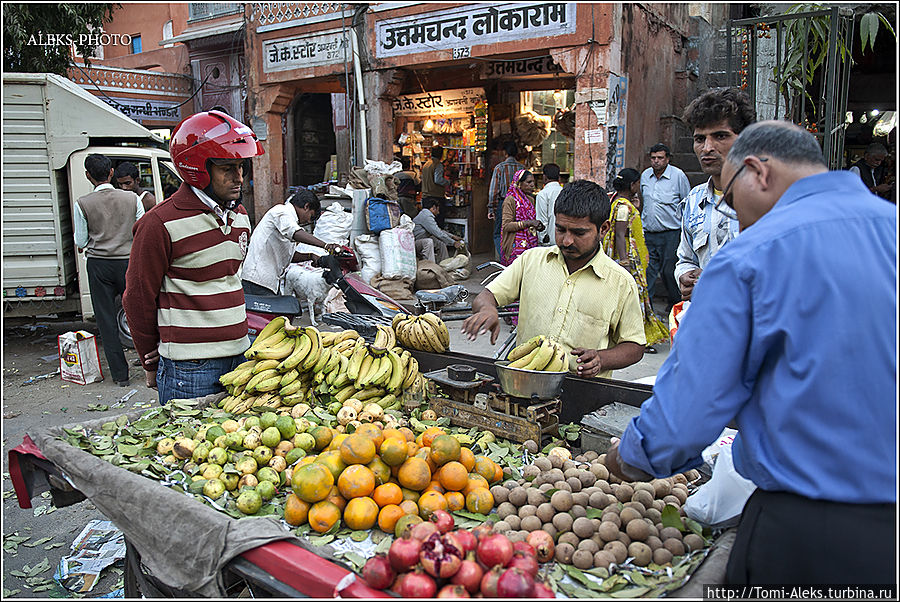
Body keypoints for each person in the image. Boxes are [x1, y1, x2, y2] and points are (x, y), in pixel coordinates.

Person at [605, 121, 896, 585]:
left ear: (757, 171)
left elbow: (689, 410)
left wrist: (629, 458)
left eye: (729, 201)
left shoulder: (751, 257)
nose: (735, 217)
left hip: (808, 532)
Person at [123, 110, 264, 404]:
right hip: (190, 369)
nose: (239, 178)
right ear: (197, 169)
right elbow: (137, 297)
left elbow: (229, 281)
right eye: (227, 168)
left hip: (240, 355)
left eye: (242, 168)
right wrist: (149, 361)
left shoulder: (240, 217)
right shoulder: (158, 224)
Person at [462, 179, 646, 379]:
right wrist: (488, 308)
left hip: (584, 389)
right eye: (560, 230)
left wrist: (601, 358)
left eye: (579, 233)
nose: (567, 241)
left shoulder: (621, 283)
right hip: (523, 380)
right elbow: (486, 296)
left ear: (603, 229)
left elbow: (634, 346)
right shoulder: (531, 260)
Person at [675, 88, 756, 301]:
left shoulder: (765, 200)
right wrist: (684, 276)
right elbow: (685, 258)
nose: (707, 148)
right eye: (700, 139)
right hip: (707, 320)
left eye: (720, 136)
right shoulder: (694, 200)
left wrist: (716, 283)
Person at [74, 153, 145, 386]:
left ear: (88, 176)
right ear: (111, 173)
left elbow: (81, 241)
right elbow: (142, 232)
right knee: (140, 314)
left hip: (99, 265)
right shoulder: (132, 199)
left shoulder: (82, 203)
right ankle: (150, 367)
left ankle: (120, 376)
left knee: (106, 321)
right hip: (129, 262)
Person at [602, 168, 670, 353]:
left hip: (622, 256)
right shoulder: (623, 207)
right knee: (637, 296)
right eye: (638, 183)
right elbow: (620, 235)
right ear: (632, 185)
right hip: (627, 258)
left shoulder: (616, 201)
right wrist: (624, 261)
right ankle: (640, 339)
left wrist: (637, 207)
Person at [241, 188, 339, 297]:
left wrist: (310, 256)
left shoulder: (290, 221)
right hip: (257, 281)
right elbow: (295, 233)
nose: (307, 222)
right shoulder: (282, 211)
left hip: (268, 282)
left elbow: (288, 256)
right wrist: (326, 246)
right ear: (306, 206)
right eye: (311, 217)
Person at [639, 143, 691, 310]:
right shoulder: (646, 175)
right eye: (653, 158)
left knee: (669, 271)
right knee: (648, 271)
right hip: (649, 232)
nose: (656, 161)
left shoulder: (678, 176)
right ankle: (648, 307)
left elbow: (687, 203)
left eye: (660, 158)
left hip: (671, 233)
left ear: (667, 159)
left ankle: (675, 303)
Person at [488, 141, 525, 259]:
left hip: (503, 203)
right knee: (516, 231)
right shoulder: (522, 168)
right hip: (519, 203)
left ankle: (505, 258)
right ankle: (514, 257)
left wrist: (491, 208)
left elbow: (493, 191)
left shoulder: (499, 168)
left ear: (505, 153)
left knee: (499, 233)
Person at [500, 170, 544, 266]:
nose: (532, 185)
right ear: (519, 183)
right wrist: (528, 223)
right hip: (515, 245)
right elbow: (506, 226)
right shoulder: (510, 200)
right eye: (529, 182)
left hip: (530, 243)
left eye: (533, 182)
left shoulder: (530, 200)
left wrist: (538, 226)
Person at [413, 197, 463, 263]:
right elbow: (438, 233)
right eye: (438, 210)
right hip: (415, 243)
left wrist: (452, 236)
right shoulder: (426, 216)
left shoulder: (425, 214)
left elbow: (438, 230)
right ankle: (431, 267)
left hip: (421, 239)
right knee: (429, 241)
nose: (438, 212)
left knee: (440, 242)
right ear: (433, 207)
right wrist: (453, 243)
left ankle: (445, 264)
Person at [420, 146, 452, 227]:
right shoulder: (438, 165)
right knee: (438, 223)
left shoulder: (426, 164)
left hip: (425, 196)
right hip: (435, 197)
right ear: (441, 155)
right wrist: (448, 182)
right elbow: (438, 180)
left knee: (428, 223)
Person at [535, 163, 563, 245]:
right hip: (563, 240)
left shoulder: (542, 194)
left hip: (548, 242)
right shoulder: (565, 192)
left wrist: (542, 239)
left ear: (544, 177)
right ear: (559, 178)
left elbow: (542, 220)